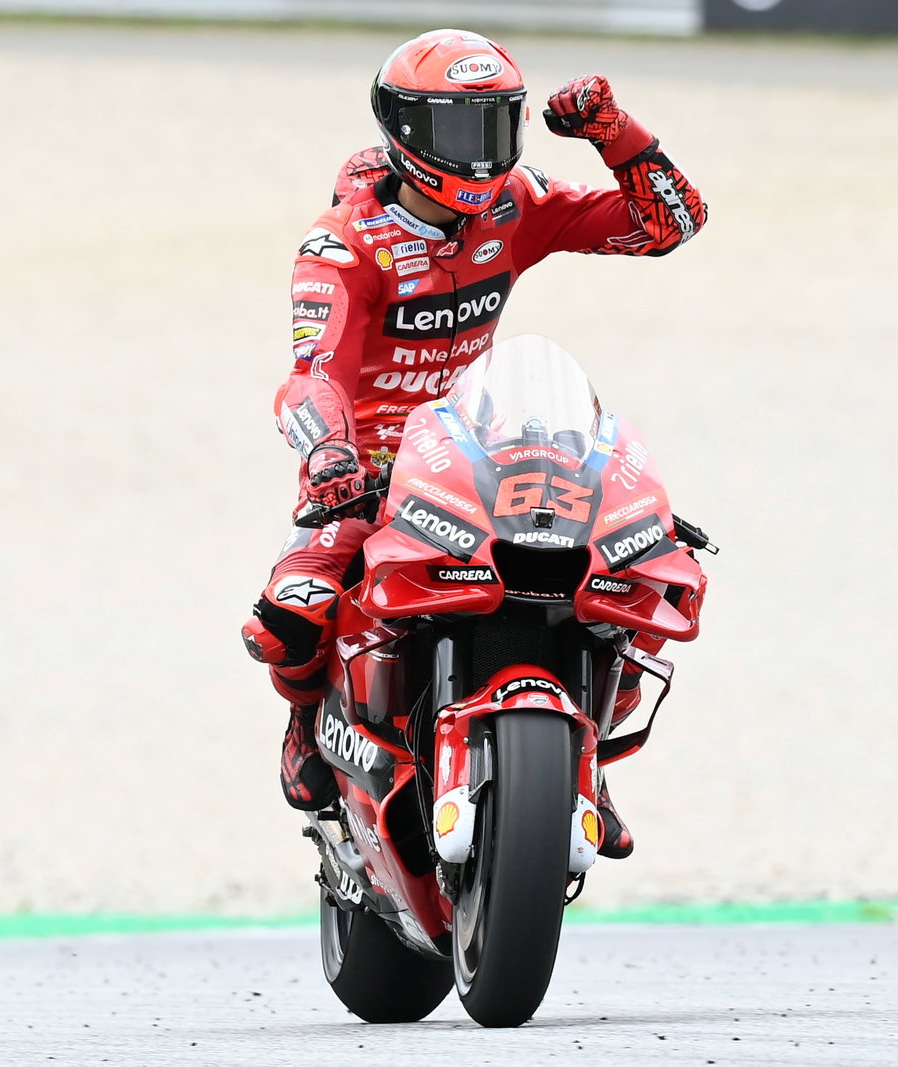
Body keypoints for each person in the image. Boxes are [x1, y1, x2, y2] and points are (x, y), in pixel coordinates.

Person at [241, 29, 707, 858]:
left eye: (495, 125)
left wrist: (615, 132)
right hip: (369, 468)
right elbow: (310, 377)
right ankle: (308, 722)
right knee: (290, 617)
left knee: (636, 574)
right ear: (405, 133)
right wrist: (330, 459)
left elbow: (669, 224)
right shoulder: (342, 246)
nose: (480, 153)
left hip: (476, 446)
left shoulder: (514, 204)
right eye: (459, 129)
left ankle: (585, 760)